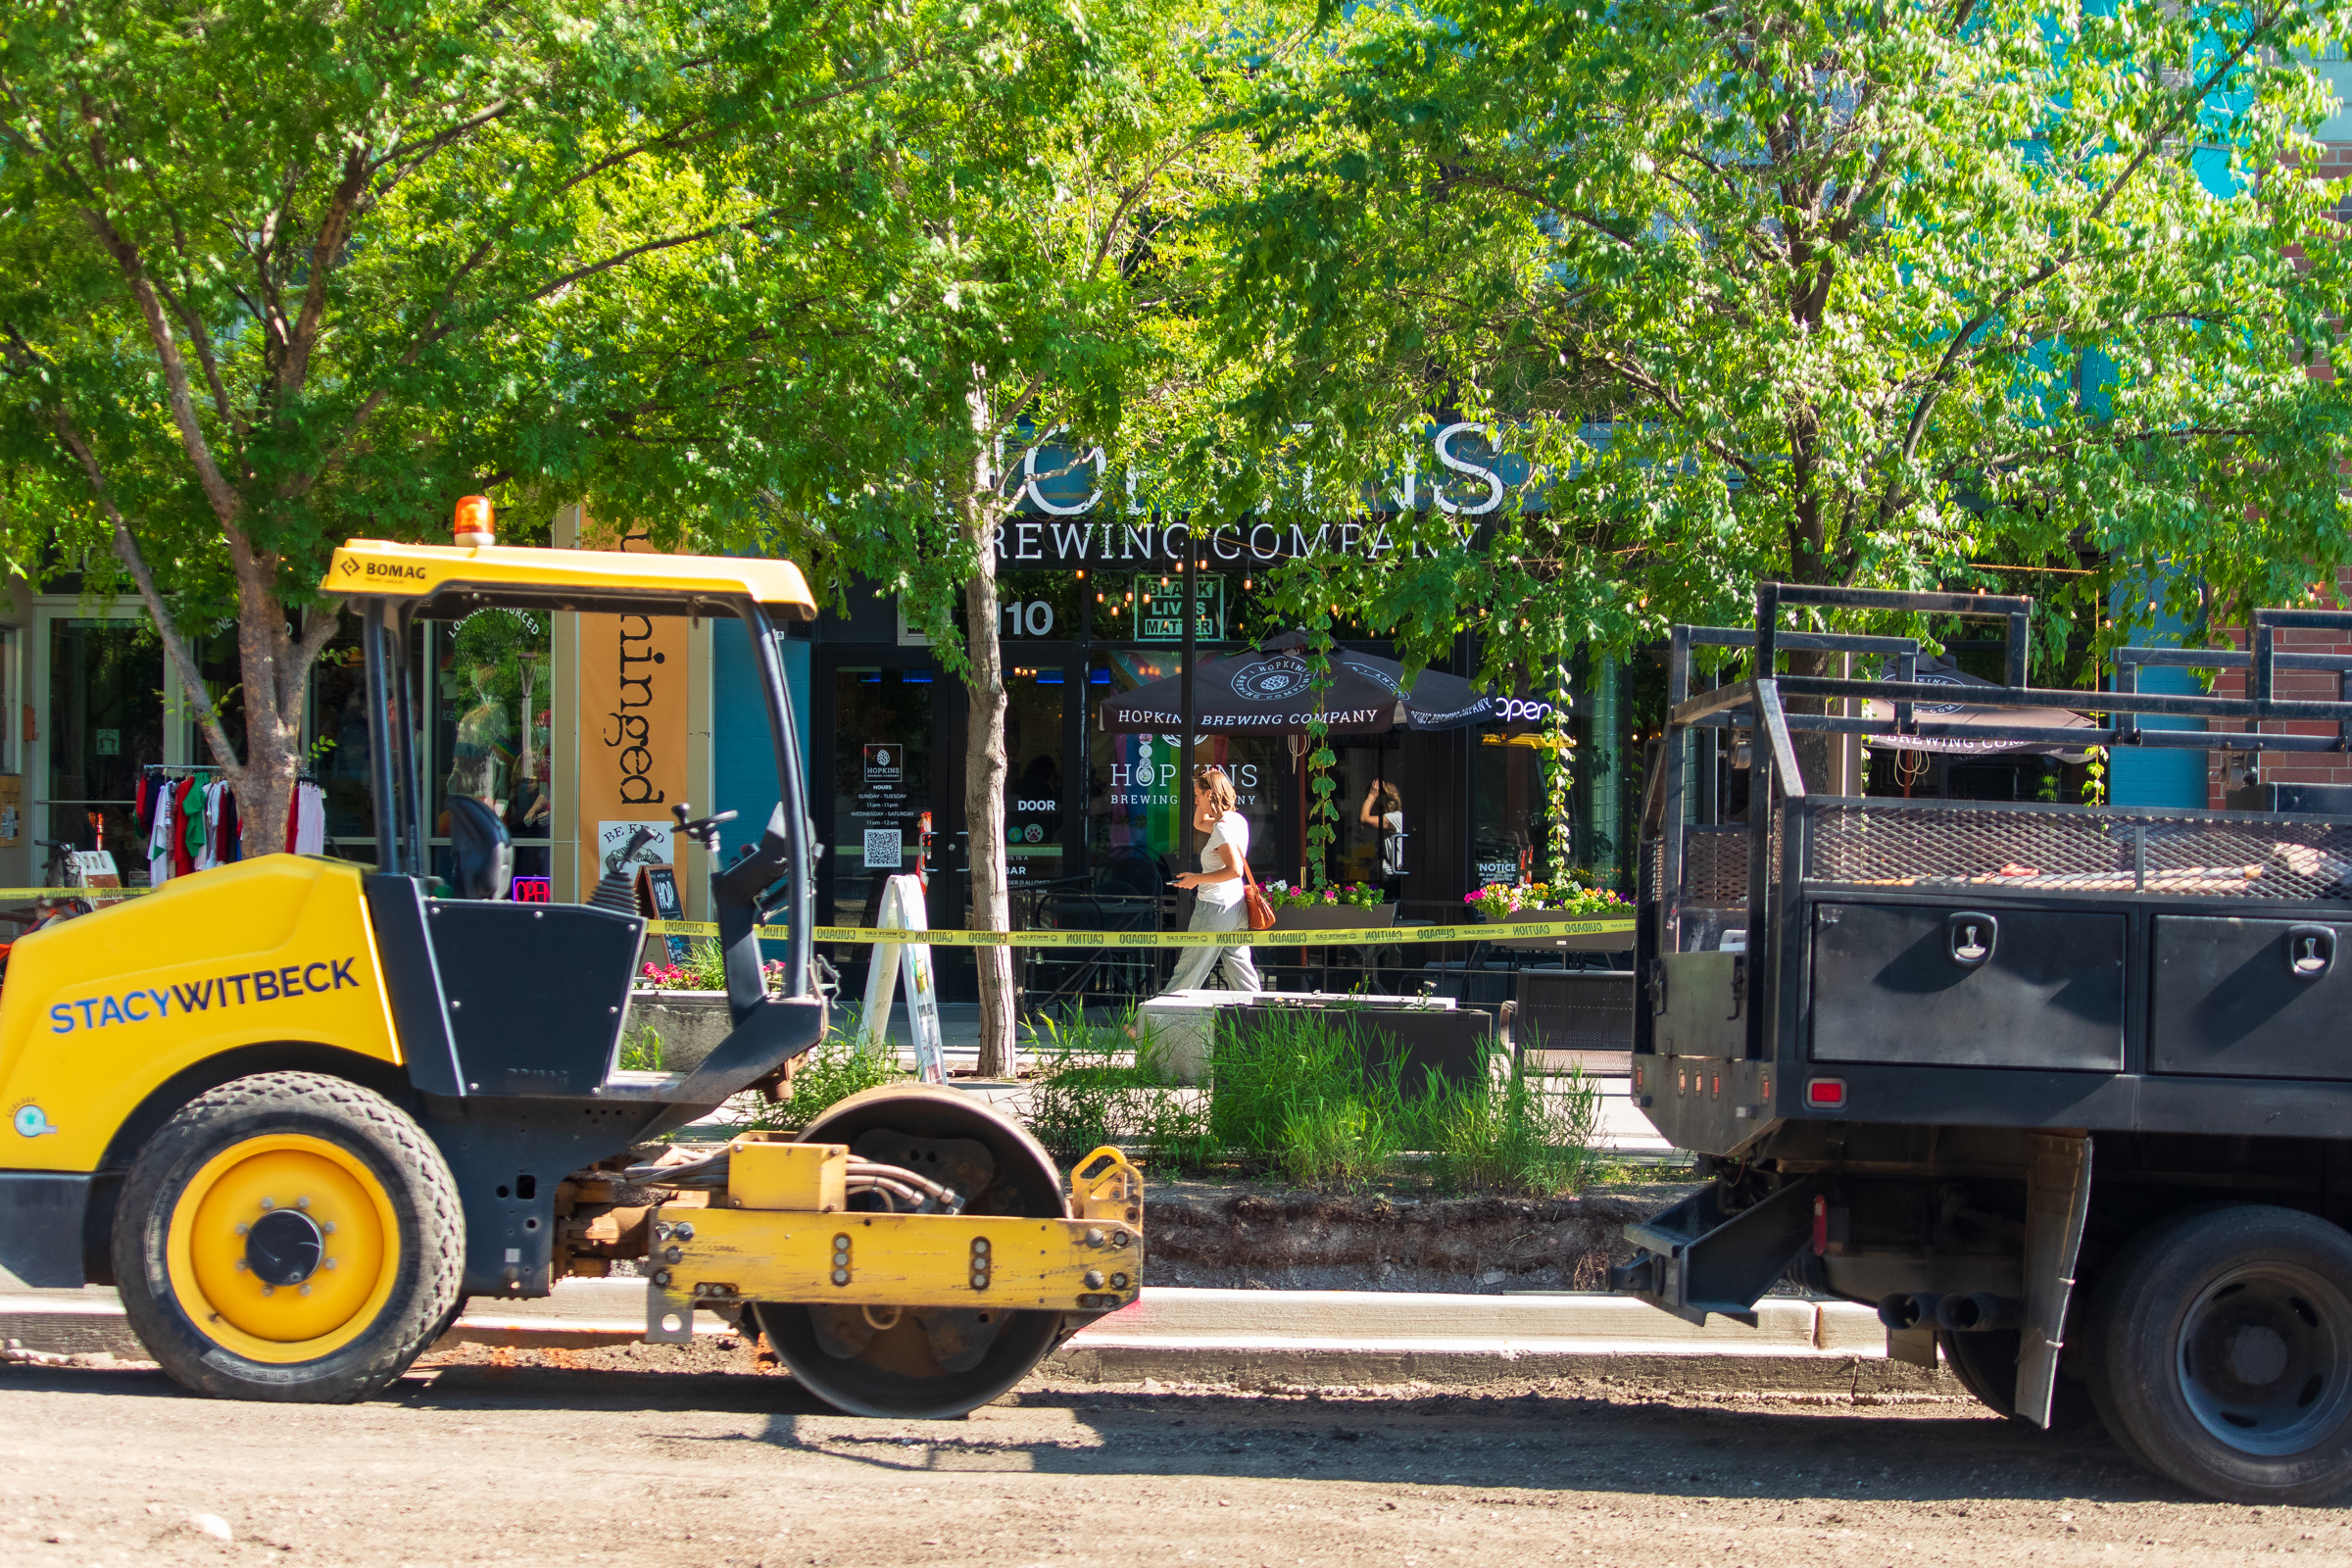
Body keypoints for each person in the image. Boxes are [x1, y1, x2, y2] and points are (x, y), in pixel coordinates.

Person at [1159, 764, 1263, 995]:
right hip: (1235, 909)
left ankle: (1150, 1026)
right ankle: (1265, 1021)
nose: (1195, 801)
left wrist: (1197, 878)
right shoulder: (1236, 821)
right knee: (1242, 974)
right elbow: (1198, 823)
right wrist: (1203, 779)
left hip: (1214, 908)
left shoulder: (1223, 829)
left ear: (1209, 794)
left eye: (1197, 796)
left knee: (1188, 971)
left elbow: (1235, 870)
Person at [1360, 779, 1405, 894]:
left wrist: (1371, 796)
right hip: (1386, 874)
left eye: (1374, 800)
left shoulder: (1394, 817)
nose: (1370, 804)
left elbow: (1364, 819)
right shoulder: (1393, 817)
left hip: (1391, 877)